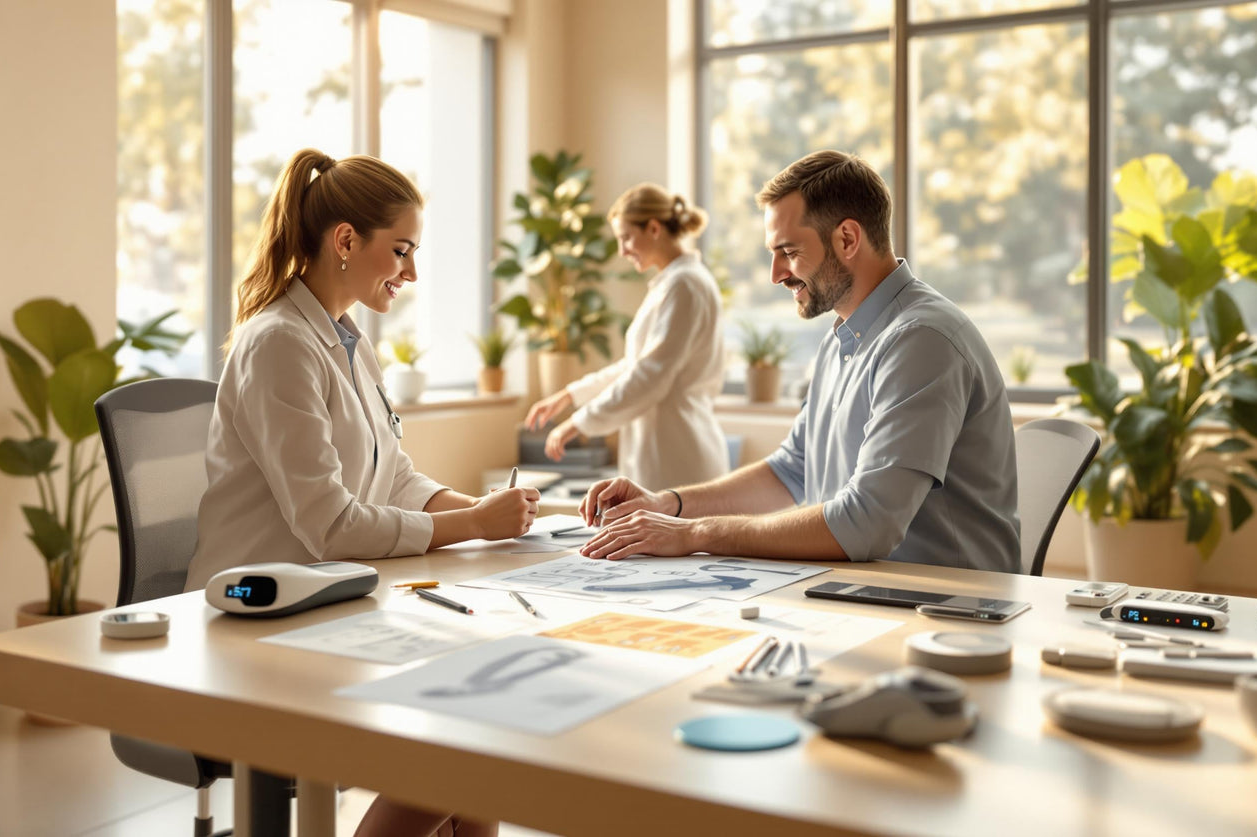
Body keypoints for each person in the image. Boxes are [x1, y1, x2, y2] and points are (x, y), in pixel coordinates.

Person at [188, 148, 534, 837]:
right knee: (462, 741)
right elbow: (332, 525)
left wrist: (482, 513)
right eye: (401, 250)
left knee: (486, 712)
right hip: (266, 625)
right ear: (345, 240)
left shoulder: (348, 340)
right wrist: (472, 527)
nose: (411, 272)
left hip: (333, 601)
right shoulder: (279, 344)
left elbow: (396, 476)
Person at [576, 150, 1020, 574]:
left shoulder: (921, 340)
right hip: (866, 589)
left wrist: (694, 533)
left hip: (943, 609)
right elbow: (791, 470)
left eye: (788, 251)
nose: (776, 274)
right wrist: (666, 505)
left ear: (847, 238)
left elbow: (866, 524)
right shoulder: (843, 338)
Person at [524, 185, 729, 491]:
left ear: (654, 228)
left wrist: (580, 422)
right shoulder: (673, 283)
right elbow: (636, 366)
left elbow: (650, 376)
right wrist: (570, 395)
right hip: (663, 456)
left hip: (679, 462)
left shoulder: (684, 285)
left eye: (626, 237)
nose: (622, 250)